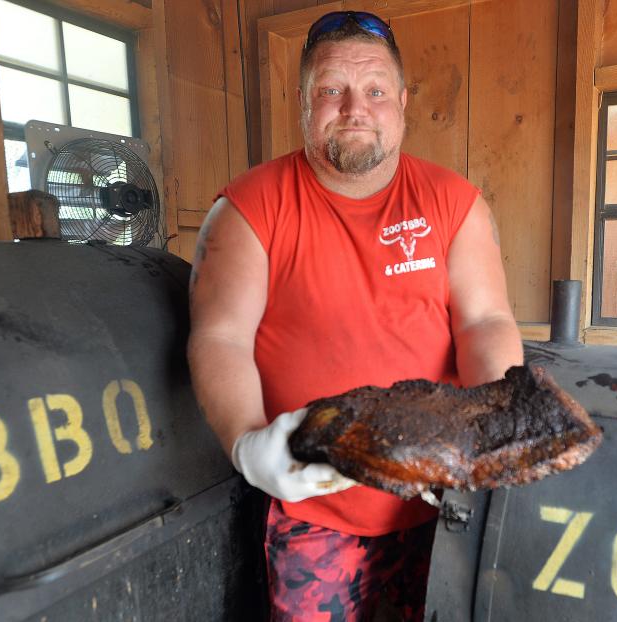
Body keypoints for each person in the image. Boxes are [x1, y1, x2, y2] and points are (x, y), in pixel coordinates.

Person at [188, 10, 523, 621]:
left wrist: (497, 420)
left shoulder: (454, 202)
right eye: (330, 90)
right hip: (313, 509)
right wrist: (245, 442)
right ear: (302, 100)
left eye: (373, 91)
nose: (354, 108)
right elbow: (220, 336)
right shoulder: (248, 207)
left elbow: (484, 323)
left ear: (401, 100)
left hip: (441, 500)